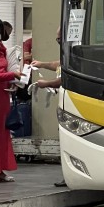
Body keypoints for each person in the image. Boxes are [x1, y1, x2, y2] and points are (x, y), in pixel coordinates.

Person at [31, 27, 66, 188]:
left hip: (70, 105)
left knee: (67, 141)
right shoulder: (68, 53)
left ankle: (68, 175)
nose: (57, 41)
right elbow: (58, 65)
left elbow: (65, 77)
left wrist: (47, 84)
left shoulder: (75, 52)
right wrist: (42, 64)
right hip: (64, 105)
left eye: (59, 38)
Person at [0, 16, 21, 182]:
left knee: (3, 134)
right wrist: (11, 75)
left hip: (3, 96)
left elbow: (6, 71)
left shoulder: (2, 48)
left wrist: (14, 82)